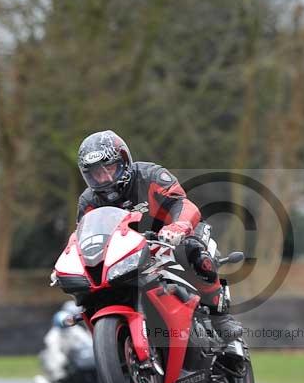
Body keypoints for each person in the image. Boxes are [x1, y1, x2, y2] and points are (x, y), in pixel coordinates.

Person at [75, 130, 242, 341]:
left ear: (124, 161)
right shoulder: (88, 201)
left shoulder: (151, 175)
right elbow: (84, 237)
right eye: (96, 174)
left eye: (110, 169)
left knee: (192, 250)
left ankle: (220, 316)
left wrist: (179, 226)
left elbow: (181, 203)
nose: (105, 178)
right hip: (129, 256)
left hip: (173, 238)